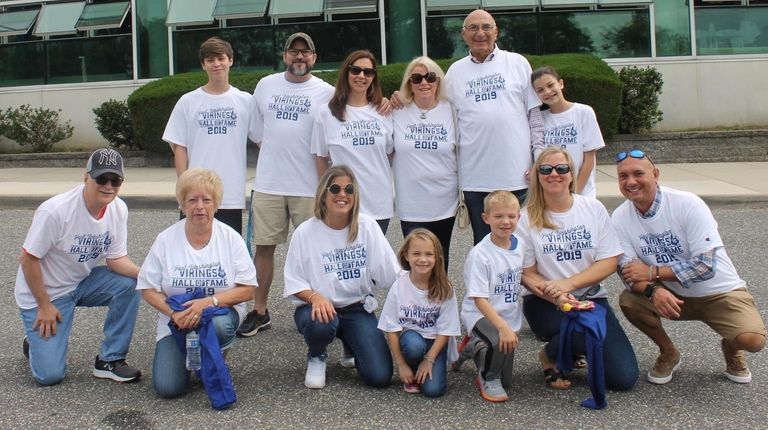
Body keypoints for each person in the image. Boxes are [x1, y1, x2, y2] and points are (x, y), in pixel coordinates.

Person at [613, 149, 766, 384]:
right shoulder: (619, 217)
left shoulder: (687, 204)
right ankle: (668, 352)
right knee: (629, 301)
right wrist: (654, 289)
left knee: (753, 340)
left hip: (719, 292)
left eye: (638, 174)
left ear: (655, 174)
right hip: (671, 295)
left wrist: (653, 273)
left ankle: (731, 346)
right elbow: (628, 272)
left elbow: (706, 266)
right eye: (623, 176)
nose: (631, 182)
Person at [15, 148, 141, 386]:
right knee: (49, 376)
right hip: (44, 293)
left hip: (81, 282)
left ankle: (110, 360)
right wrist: (44, 305)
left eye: (116, 180)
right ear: (86, 177)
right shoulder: (56, 211)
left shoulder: (118, 209)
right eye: (102, 178)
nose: (109, 186)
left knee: (131, 284)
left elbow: (115, 260)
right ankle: (33, 342)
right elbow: (28, 259)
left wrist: (148, 276)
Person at [517, 147, 638, 392]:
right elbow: (526, 274)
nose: (554, 174)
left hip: (590, 299)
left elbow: (608, 261)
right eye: (546, 169)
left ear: (571, 174)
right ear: (536, 175)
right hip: (545, 302)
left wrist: (569, 285)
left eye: (562, 169)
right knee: (583, 331)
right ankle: (550, 355)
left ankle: (575, 348)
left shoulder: (592, 209)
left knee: (622, 379)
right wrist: (558, 294)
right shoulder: (524, 218)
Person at [238, 32, 334, 338]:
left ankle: (319, 308)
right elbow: (256, 131)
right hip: (269, 183)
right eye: (294, 51)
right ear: (285, 56)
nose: (299, 57)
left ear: (314, 58)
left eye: (305, 53)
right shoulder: (266, 85)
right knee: (263, 249)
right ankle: (260, 310)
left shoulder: (327, 92)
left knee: (315, 251)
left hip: (310, 187)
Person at [137, 168, 258, 403]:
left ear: (216, 204)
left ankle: (216, 357)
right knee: (168, 387)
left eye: (206, 200)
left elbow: (248, 288)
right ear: (182, 204)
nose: (199, 206)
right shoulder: (165, 239)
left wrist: (208, 303)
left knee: (219, 325)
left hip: (218, 312)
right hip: (176, 320)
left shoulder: (230, 238)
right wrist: (175, 313)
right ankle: (198, 358)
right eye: (192, 200)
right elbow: (147, 289)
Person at [283, 165, 400, 389]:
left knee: (379, 376)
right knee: (322, 323)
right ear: (323, 194)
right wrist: (315, 297)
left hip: (356, 308)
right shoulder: (305, 232)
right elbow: (293, 281)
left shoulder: (367, 227)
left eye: (349, 189)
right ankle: (317, 355)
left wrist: (423, 285)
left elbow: (390, 274)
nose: (342, 195)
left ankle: (350, 343)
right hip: (318, 310)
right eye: (335, 189)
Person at [444, 9, 543, 245]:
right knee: (484, 245)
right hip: (476, 179)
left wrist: (538, 158)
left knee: (525, 245)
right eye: (473, 28)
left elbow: (535, 116)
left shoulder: (518, 63)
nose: (480, 33)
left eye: (486, 27)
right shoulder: (454, 73)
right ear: (463, 34)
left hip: (518, 176)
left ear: (496, 31)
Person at [163, 36, 252, 234]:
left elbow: (265, 141)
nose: (216, 64)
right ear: (203, 65)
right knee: (192, 249)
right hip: (196, 195)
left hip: (229, 196)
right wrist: (184, 189)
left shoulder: (246, 101)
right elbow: (179, 147)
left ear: (230, 60)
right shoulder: (188, 102)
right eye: (210, 60)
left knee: (228, 252)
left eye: (221, 58)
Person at [312, 50, 394, 234]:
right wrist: (325, 196)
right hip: (342, 201)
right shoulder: (326, 113)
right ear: (346, 73)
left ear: (374, 77)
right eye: (355, 70)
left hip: (378, 202)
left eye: (368, 72)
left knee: (372, 260)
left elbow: (392, 154)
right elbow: (320, 158)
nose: (361, 76)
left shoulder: (383, 112)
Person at [453, 190, 524, 403]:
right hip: (481, 314)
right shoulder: (480, 255)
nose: (505, 222)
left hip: (507, 314)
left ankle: (470, 347)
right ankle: (487, 377)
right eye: (499, 216)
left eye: (511, 216)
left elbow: (526, 275)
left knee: (508, 379)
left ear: (519, 217)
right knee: (497, 342)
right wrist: (502, 327)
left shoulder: (520, 245)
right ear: (486, 218)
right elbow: (479, 299)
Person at [392, 56, 458, 271]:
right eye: (417, 78)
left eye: (430, 77)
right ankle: (414, 304)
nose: (424, 82)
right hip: (411, 202)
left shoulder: (452, 109)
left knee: (440, 261)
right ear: (409, 83)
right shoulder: (396, 110)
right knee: (415, 263)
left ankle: (440, 303)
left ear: (438, 81)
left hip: (444, 201)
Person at [378, 229, 460, 398]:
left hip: (435, 342)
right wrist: (401, 365)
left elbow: (446, 331)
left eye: (429, 254)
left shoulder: (445, 288)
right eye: (416, 253)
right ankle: (412, 367)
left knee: (433, 391)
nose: (423, 259)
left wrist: (429, 360)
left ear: (437, 258)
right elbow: (391, 329)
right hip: (411, 341)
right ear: (406, 256)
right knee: (414, 346)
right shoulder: (399, 286)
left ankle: (424, 367)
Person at [531, 66, 604, 199]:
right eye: (540, 90)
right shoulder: (539, 119)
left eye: (550, 85)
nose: (547, 92)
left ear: (561, 84)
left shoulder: (584, 112)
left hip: (582, 194)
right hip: (551, 196)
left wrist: (575, 194)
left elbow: (589, 158)